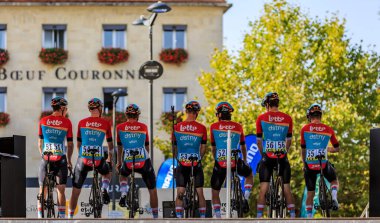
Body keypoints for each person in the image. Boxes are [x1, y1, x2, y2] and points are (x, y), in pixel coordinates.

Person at [68, 98, 113, 218]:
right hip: (98, 158)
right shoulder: (106, 123)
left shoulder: (82, 122)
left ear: (89, 109)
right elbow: (110, 146)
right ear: (100, 108)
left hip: (83, 158)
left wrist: (82, 155)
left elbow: (78, 144)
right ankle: (104, 189)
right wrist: (109, 158)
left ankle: (70, 217)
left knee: (75, 190)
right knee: (107, 173)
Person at [210, 102, 253, 218]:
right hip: (235, 160)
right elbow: (243, 146)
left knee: (215, 191)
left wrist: (216, 159)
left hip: (220, 161)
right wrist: (244, 160)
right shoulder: (238, 126)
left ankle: (218, 216)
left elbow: (213, 148)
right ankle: (246, 196)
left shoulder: (213, 127)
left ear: (219, 115)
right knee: (249, 175)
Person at [256, 92, 296, 218]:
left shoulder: (261, 118)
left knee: (263, 189)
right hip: (282, 156)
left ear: (267, 104)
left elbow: (258, 141)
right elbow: (288, 141)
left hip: (268, 156)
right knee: (287, 188)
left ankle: (258, 217)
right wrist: (284, 151)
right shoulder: (288, 118)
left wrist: (263, 154)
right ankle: (293, 217)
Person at [116, 104, 159, 218]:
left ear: (126, 115)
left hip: (128, 160)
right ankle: (155, 217)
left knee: (123, 175)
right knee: (152, 189)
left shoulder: (119, 127)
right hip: (143, 160)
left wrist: (119, 162)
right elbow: (147, 146)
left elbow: (119, 147)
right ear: (138, 115)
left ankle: (124, 193)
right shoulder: (143, 126)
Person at [301, 103, 340, 217]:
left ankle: (309, 217)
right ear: (320, 116)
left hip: (310, 164)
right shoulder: (328, 129)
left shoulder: (304, 129)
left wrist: (304, 164)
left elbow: (303, 149)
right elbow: (337, 148)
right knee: (334, 180)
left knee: (310, 192)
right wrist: (327, 149)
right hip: (323, 163)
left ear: (309, 116)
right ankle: (333, 197)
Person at [37, 96, 73, 218]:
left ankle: (39, 217)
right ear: (62, 108)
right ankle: (62, 217)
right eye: (66, 108)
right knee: (61, 189)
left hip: (46, 158)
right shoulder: (67, 122)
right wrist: (69, 160)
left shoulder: (43, 120)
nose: (67, 110)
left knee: (42, 189)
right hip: (60, 159)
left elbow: (39, 144)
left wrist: (43, 155)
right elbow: (70, 144)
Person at [173, 100, 208, 218]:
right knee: (200, 193)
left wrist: (178, 158)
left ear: (186, 112)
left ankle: (178, 218)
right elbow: (203, 147)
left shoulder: (176, 127)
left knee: (180, 193)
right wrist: (199, 158)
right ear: (197, 113)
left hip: (182, 163)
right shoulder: (202, 128)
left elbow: (174, 147)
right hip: (195, 162)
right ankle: (202, 218)